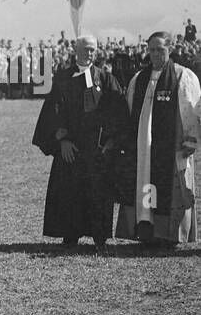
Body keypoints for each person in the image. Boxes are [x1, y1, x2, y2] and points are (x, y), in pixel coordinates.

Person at [32, 34, 130, 249]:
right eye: (85, 49)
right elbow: (52, 113)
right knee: (70, 192)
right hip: (71, 150)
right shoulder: (63, 79)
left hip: (97, 150)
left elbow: (118, 112)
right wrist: (62, 141)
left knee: (98, 193)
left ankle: (100, 237)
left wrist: (112, 142)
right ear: (75, 50)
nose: (89, 53)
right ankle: (70, 234)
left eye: (93, 49)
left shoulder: (105, 79)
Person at [114, 30, 201, 247]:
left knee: (168, 186)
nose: (155, 54)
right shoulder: (139, 79)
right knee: (144, 182)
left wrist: (191, 138)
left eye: (160, 49)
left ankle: (169, 233)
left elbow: (190, 109)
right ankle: (147, 227)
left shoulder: (182, 76)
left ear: (169, 49)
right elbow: (129, 109)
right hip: (143, 148)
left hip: (170, 148)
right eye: (151, 50)